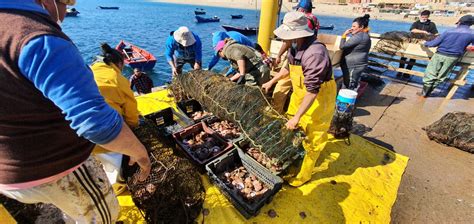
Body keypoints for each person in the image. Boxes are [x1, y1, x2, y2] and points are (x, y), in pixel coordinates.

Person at [0, 1, 151, 223]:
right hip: (53, 168)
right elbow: (96, 123)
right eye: (65, 4)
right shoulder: (36, 36)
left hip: (9, 176)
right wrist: (140, 153)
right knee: (103, 217)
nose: (64, 13)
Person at [262, 12, 337, 187]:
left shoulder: (315, 53)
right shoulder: (295, 47)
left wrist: (298, 117)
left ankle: (304, 175)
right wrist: (272, 81)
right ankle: (292, 159)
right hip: (299, 96)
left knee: (312, 139)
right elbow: (288, 69)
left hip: (318, 101)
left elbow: (312, 91)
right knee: (291, 130)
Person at [272, 0, 320, 113]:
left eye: (297, 9)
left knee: (282, 86)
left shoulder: (298, 23)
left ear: (301, 9)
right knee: (298, 95)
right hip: (299, 61)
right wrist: (271, 81)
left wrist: (279, 55)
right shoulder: (313, 20)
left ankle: (276, 111)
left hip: (302, 62)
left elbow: (287, 42)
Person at [418, 15, 474, 97]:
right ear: (471, 24)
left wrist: (425, 43)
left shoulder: (448, 31)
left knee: (430, 73)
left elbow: (434, 43)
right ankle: (429, 92)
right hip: (453, 57)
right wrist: (466, 47)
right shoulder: (472, 34)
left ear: (459, 22)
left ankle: (424, 92)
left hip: (439, 54)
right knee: (442, 76)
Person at [398, 10, 438, 78]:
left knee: (413, 58)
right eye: (422, 17)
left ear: (428, 17)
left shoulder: (432, 24)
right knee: (403, 56)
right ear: (420, 16)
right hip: (412, 41)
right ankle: (400, 71)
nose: (423, 18)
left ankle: (407, 72)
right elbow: (412, 30)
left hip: (421, 43)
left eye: (425, 17)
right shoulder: (416, 22)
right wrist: (423, 32)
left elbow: (436, 33)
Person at [340, 14, 372, 90]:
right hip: (358, 64)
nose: (352, 28)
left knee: (349, 85)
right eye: (352, 26)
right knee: (350, 84)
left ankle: (346, 101)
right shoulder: (365, 35)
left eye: (354, 26)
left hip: (354, 65)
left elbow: (342, 46)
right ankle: (343, 100)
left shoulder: (359, 36)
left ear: (361, 27)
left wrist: (344, 35)